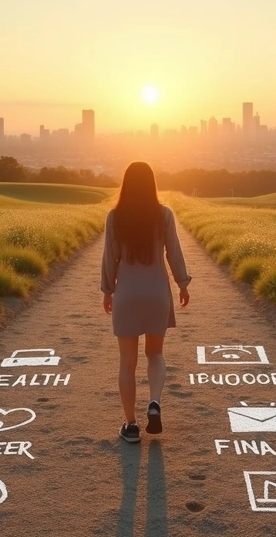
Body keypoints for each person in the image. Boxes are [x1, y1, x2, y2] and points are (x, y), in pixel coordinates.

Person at [101, 161, 191, 443]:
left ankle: (131, 426)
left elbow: (109, 258)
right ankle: (154, 401)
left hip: (127, 294)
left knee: (127, 363)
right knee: (155, 354)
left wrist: (107, 290)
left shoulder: (115, 217)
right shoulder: (164, 215)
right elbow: (173, 253)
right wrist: (182, 283)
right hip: (157, 294)